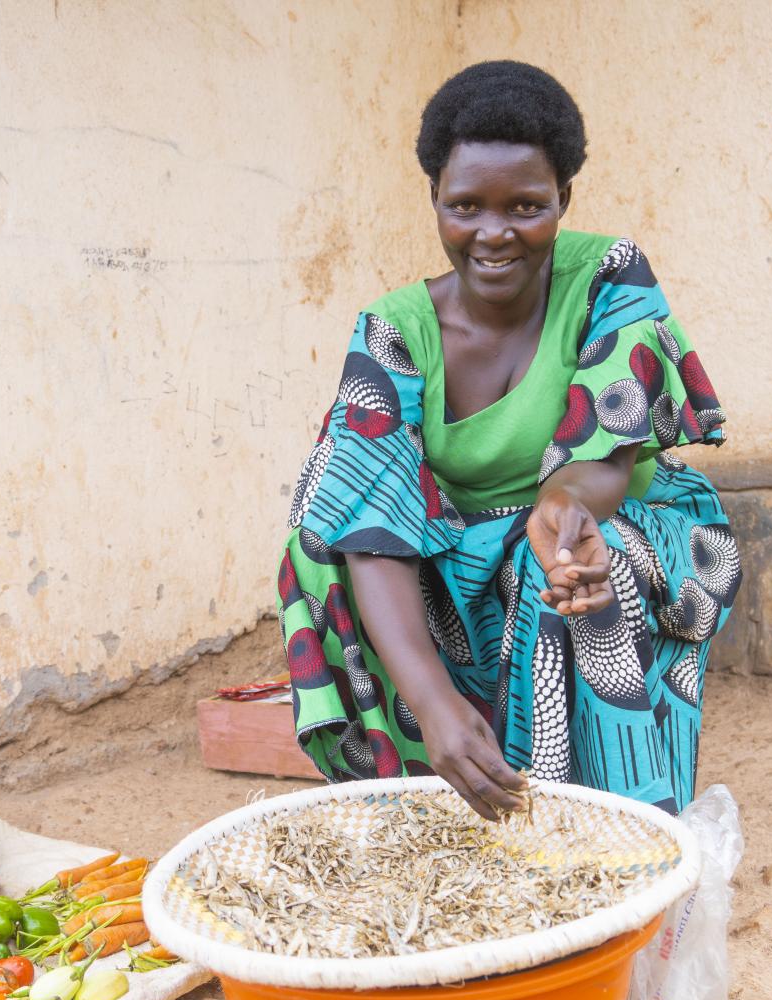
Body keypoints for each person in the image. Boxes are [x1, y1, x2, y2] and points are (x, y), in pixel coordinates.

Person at [276, 61, 739, 821]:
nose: (494, 234)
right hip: (458, 549)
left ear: (564, 199)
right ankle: (430, 804)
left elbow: (604, 461)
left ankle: (604, 830)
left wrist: (561, 517)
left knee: (580, 570)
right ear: (434, 199)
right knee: (317, 537)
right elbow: (369, 521)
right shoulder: (394, 329)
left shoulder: (607, 278)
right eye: (465, 207)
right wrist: (431, 702)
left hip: (605, 514)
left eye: (526, 206)